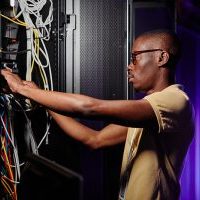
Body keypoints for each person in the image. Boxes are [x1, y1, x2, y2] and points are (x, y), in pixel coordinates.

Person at [1, 29, 195, 200]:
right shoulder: (148, 112)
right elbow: (94, 139)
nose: (129, 66)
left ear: (162, 58)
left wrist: (21, 88)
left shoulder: (176, 101)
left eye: (134, 57)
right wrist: (40, 98)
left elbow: (90, 108)